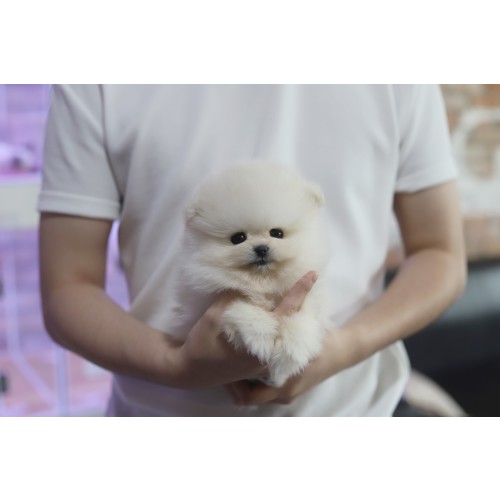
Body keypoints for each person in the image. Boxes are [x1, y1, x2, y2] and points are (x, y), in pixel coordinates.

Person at [38, 85, 466, 416]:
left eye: (275, 234)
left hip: (356, 410)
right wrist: (174, 364)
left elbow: (440, 253)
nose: (261, 247)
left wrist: (343, 347)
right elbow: (67, 287)